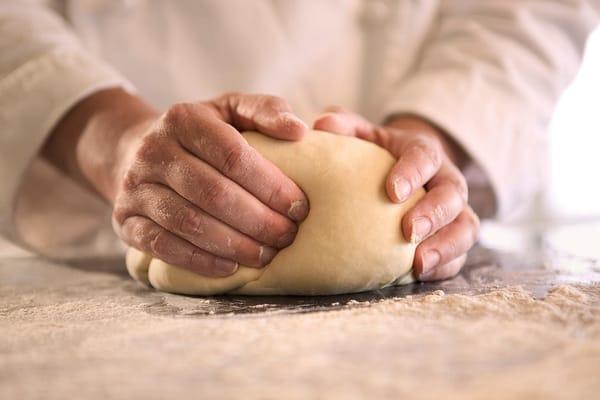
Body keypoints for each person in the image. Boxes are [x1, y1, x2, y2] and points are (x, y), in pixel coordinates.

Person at [1, 1, 598, 282]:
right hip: (98, 215)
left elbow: (533, 12)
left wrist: (430, 139)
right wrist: (114, 139)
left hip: (409, 170)